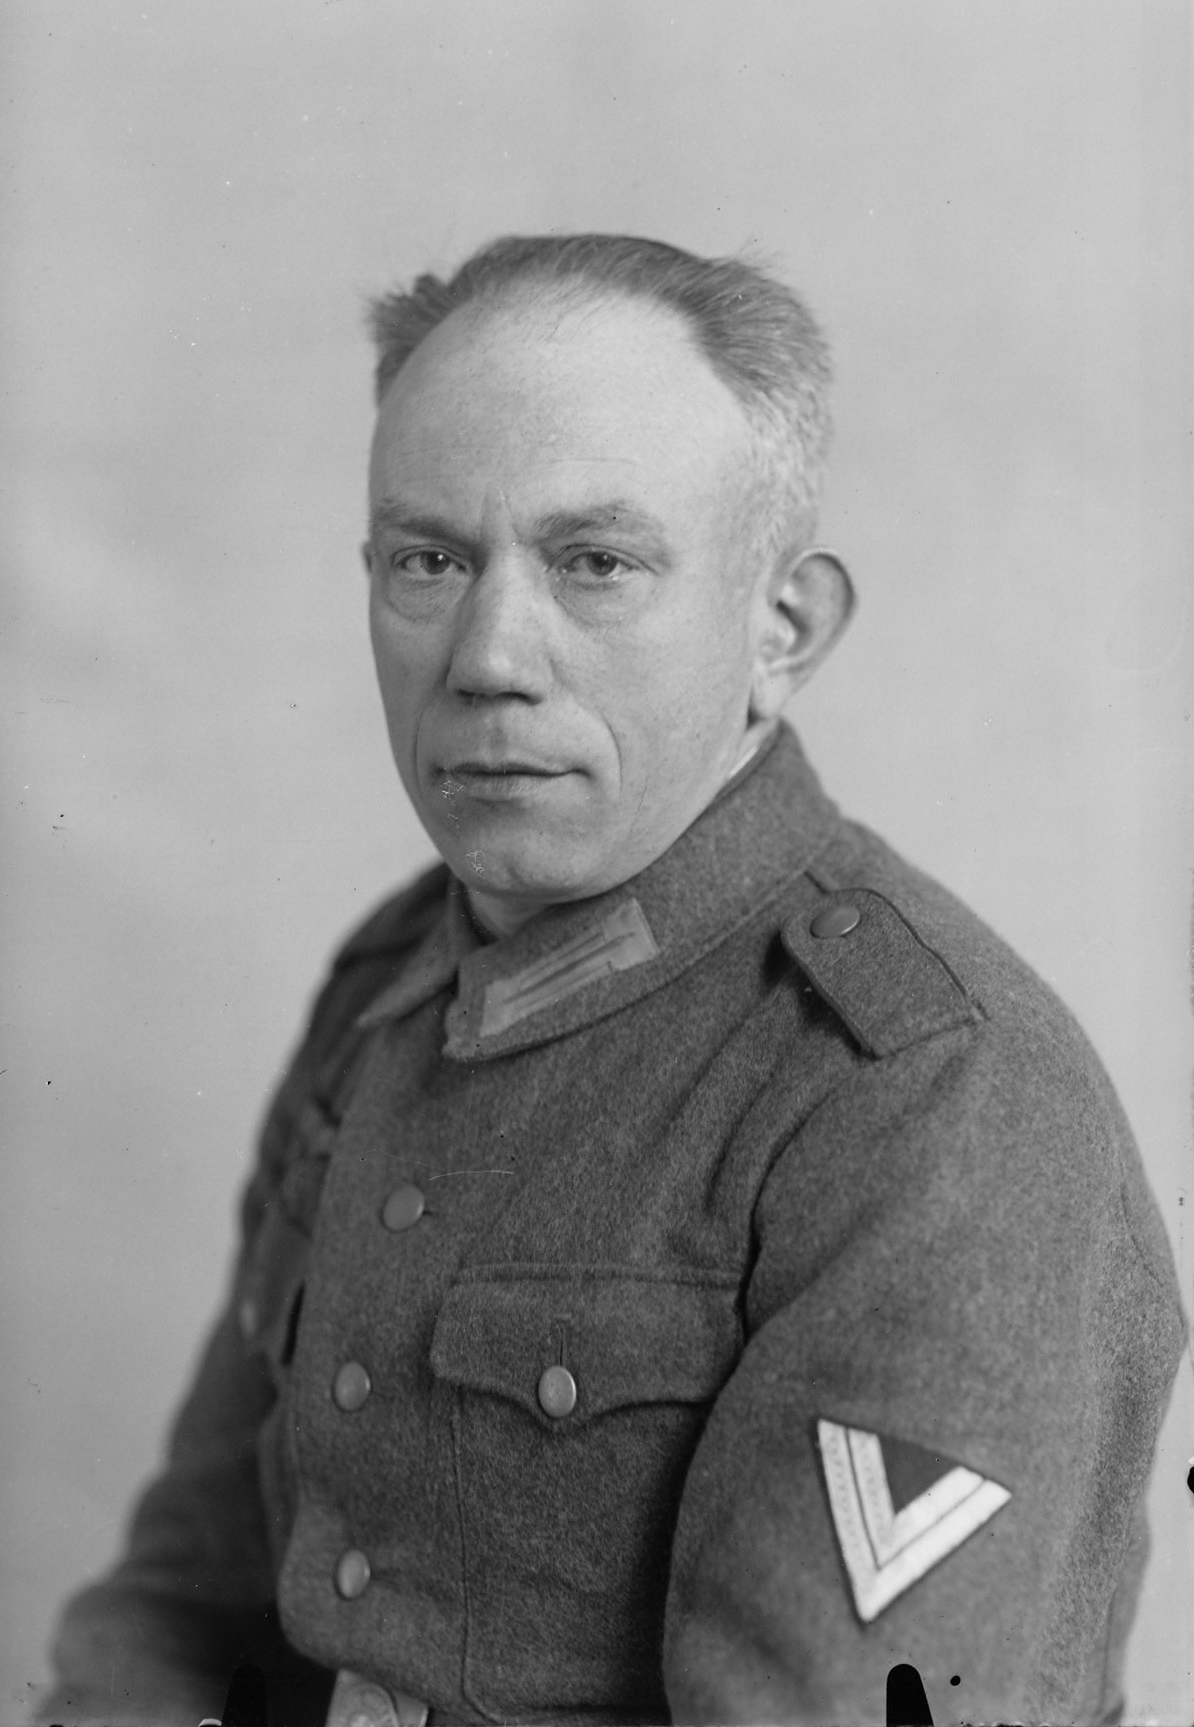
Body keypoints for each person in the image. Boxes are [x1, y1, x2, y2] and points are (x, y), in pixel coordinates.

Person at [42, 234, 1183, 1727]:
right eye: (429, 560)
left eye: (596, 563)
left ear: (780, 631)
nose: (488, 656)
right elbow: (189, 1605)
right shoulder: (394, 977)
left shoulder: (935, 1100)